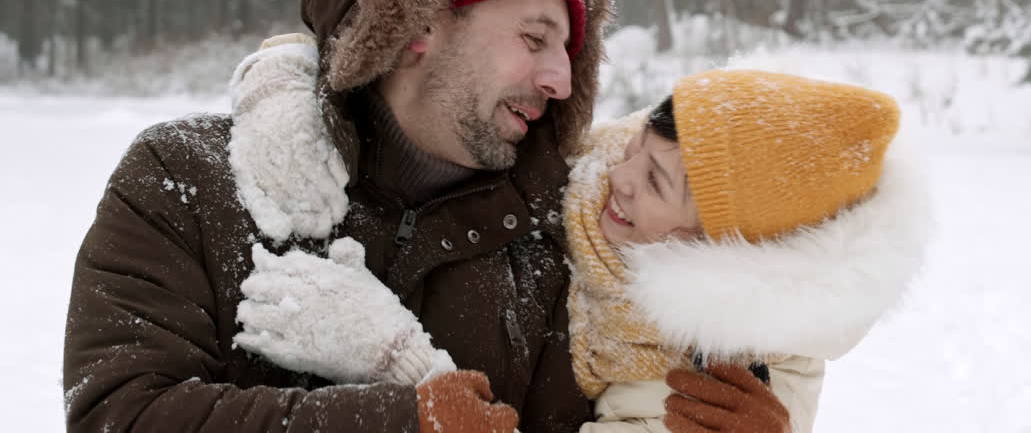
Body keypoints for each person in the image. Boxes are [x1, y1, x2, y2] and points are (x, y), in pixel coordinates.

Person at [61, 0, 616, 433]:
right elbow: (120, 417)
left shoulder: (559, 241)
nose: (561, 81)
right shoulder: (187, 181)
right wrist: (403, 423)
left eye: (568, 51)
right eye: (534, 37)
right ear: (417, 23)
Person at [232, 68, 931, 433]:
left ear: (721, 246)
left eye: (654, 182)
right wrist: (280, 99)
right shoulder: (593, 164)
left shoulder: (704, 371)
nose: (619, 174)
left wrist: (399, 366)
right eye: (639, 147)